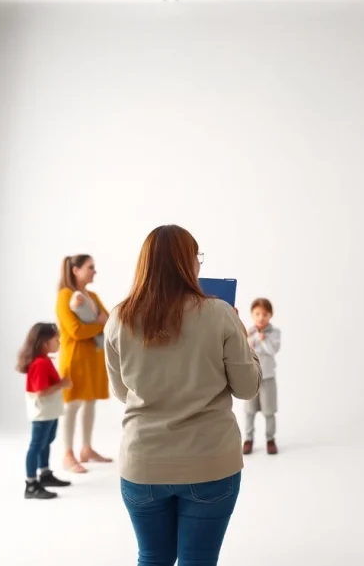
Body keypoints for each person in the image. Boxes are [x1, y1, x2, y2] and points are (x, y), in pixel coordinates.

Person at [104, 225, 261, 566]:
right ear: (187, 263)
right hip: (210, 462)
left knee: (153, 557)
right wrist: (242, 337)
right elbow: (247, 388)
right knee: (198, 560)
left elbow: (120, 391)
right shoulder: (219, 314)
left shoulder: (119, 317)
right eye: (196, 257)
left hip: (142, 462)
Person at [56, 254, 112, 473]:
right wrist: (99, 325)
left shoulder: (93, 296)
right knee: (71, 405)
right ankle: (68, 454)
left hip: (94, 355)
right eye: (90, 267)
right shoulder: (65, 295)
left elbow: (109, 321)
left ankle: (86, 449)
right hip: (76, 356)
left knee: (90, 402)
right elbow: (76, 331)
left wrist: (100, 324)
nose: (94, 271)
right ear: (75, 270)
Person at [16, 322, 72, 499]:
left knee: (46, 441)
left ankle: (45, 474)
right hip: (43, 412)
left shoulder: (45, 361)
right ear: (45, 343)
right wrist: (61, 384)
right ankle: (31, 484)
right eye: (57, 339)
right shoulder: (40, 363)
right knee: (37, 445)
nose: (60, 343)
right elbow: (41, 392)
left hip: (50, 411)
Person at [242, 297, 282, 455]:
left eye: (264, 314)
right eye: (257, 314)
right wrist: (250, 340)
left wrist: (262, 341)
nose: (261, 317)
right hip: (251, 377)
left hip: (268, 378)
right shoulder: (247, 332)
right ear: (252, 314)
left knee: (269, 411)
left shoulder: (274, 333)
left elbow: (273, 350)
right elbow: (243, 350)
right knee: (249, 410)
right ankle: (248, 439)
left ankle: (270, 439)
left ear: (270, 315)